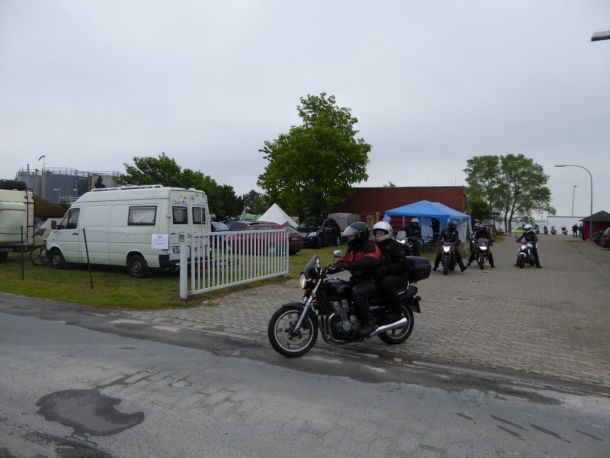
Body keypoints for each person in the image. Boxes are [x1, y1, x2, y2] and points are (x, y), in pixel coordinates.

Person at [330, 222, 381, 336]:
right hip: (358, 279)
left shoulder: (370, 246)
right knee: (341, 289)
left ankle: (369, 323)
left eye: (351, 235)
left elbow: (370, 261)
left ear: (360, 235)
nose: (349, 237)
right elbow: (344, 261)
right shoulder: (353, 248)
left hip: (372, 279)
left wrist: (352, 264)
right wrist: (328, 269)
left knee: (358, 292)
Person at [372, 221, 410, 318]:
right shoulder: (374, 246)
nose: (378, 235)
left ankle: (397, 311)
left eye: (381, 233)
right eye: (377, 233)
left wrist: (386, 269)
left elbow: (402, 265)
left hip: (398, 275)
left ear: (388, 232)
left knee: (386, 283)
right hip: (381, 274)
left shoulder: (396, 246)